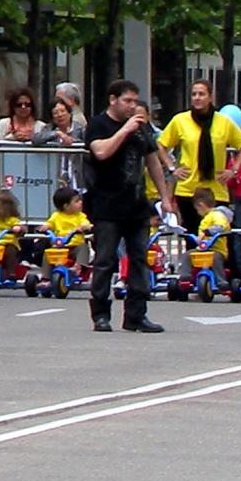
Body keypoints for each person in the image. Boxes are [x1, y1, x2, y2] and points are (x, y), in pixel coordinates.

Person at [85, 79, 173, 334]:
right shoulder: (99, 124)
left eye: (135, 101)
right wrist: (124, 130)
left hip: (136, 204)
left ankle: (136, 314)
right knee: (105, 260)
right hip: (106, 204)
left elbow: (152, 160)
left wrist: (164, 197)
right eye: (127, 101)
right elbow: (101, 151)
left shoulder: (140, 126)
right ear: (113, 100)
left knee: (139, 259)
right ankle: (100, 314)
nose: (132, 106)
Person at [156, 79, 241, 280]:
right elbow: (161, 144)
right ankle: (194, 277)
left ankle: (230, 277)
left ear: (211, 97)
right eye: (194, 94)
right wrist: (172, 167)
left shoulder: (223, 122)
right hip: (189, 188)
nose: (197, 98)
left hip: (215, 189)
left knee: (222, 235)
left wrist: (234, 169)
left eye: (202, 94)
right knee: (193, 235)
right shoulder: (180, 120)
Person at [36, 186, 93, 289]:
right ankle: (46, 278)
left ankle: (78, 267)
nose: (80, 202)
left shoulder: (80, 216)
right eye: (76, 201)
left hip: (75, 246)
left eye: (80, 200)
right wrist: (45, 227)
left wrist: (83, 227)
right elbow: (50, 224)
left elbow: (86, 224)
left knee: (83, 247)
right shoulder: (56, 216)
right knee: (48, 254)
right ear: (66, 206)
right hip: (60, 246)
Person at [180, 187, 233, 283]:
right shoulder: (206, 218)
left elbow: (221, 227)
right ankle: (185, 277)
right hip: (204, 248)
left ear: (201, 205)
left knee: (215, 259)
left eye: (197, 209)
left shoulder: (217, 215)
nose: (198, 212)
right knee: (188, 255)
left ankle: (221, 281)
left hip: (217, 249)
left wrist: (206, 232)